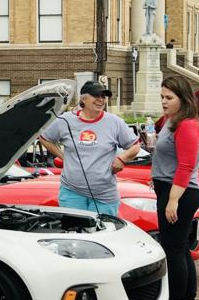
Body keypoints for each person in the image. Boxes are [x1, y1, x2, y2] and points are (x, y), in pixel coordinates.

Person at [40, 81, 141, 215]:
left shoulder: (114, 122)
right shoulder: (65, 120)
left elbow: (135, 146)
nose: (101, 100)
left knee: (103, 234)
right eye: (96, 96)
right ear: (83, 98)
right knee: (75, 233)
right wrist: (63, 156)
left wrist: (122, 159)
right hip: (72, 192)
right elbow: (45, 138)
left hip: (105, 195)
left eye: (103, 96)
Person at [152, 76, 199, 300]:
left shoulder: (187, 125)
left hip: (180, 192)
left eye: (169, 98)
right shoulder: (172, 121)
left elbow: (185, 165)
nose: (163, 101)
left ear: (183, 99)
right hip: (171, 189)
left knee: (172, 249)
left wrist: (173, 200)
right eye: (162, 97)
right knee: (181, 248)